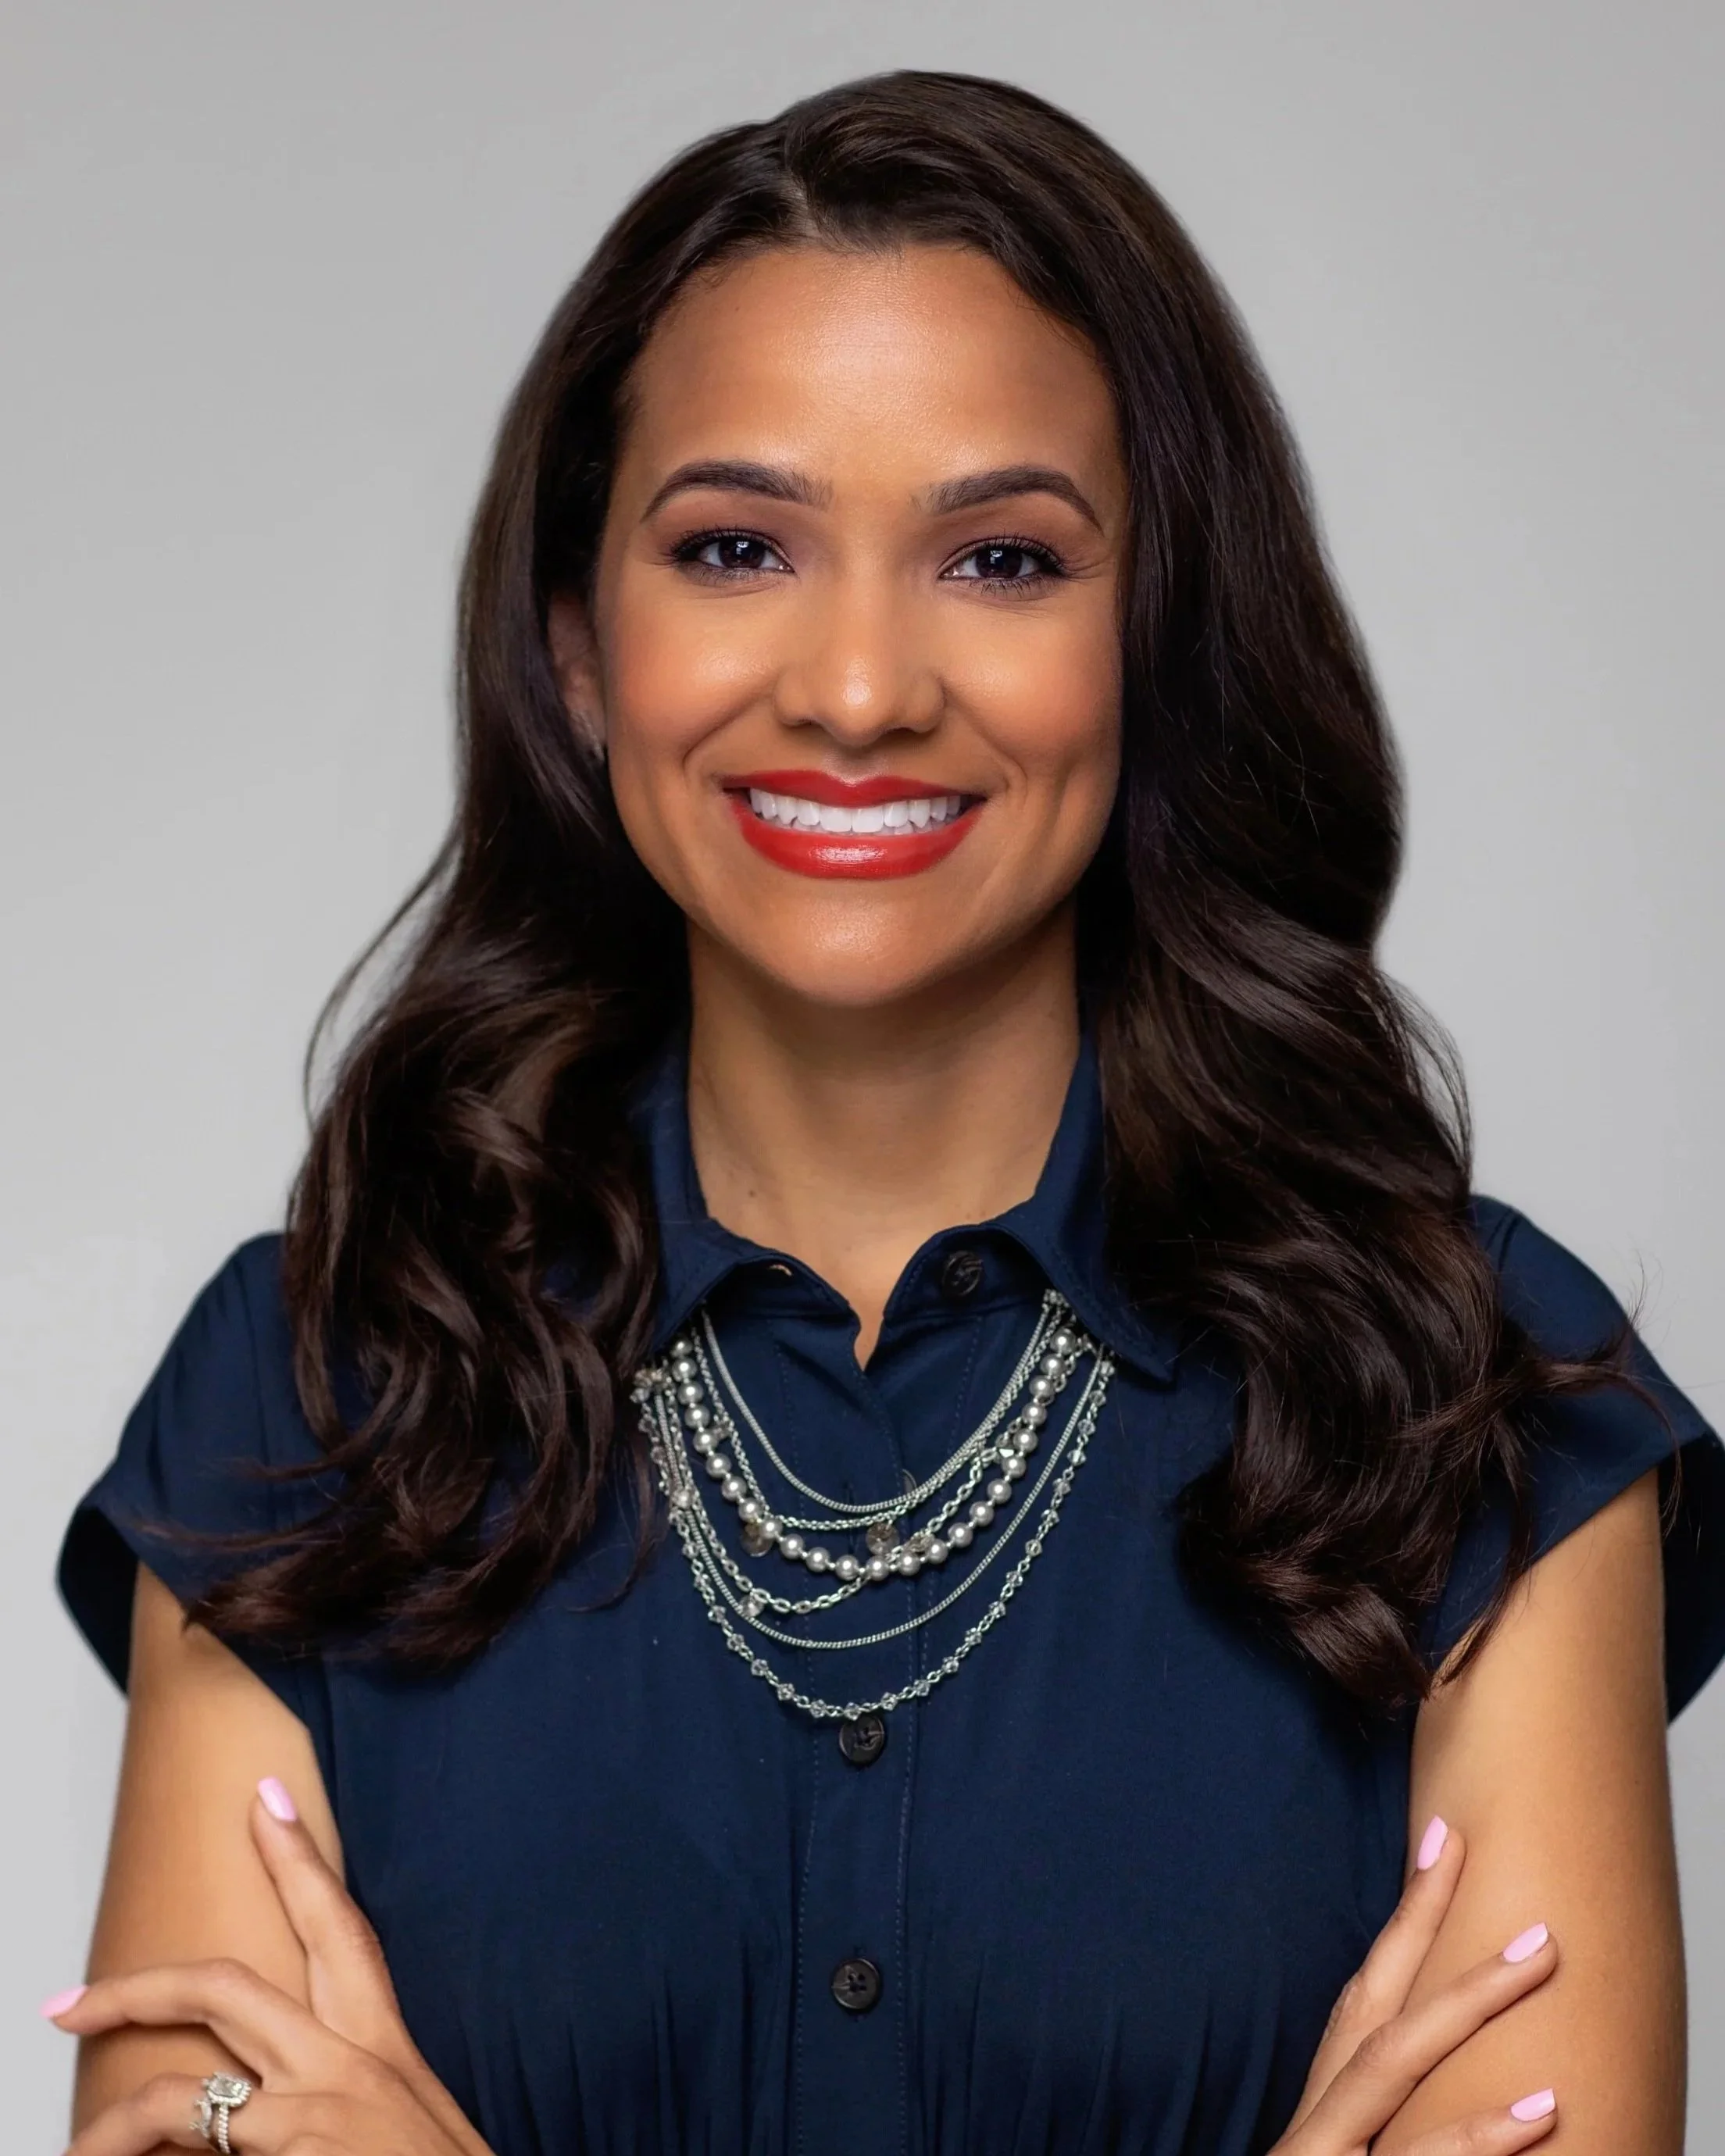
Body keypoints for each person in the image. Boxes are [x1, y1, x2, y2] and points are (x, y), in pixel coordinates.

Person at [47, 70, 1725, 2156]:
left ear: (1157, 638)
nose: (857, 688)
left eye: (1001, 558)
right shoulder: (316, 1393)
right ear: (581, 647)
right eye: (735, 546)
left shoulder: (1473, 1409)